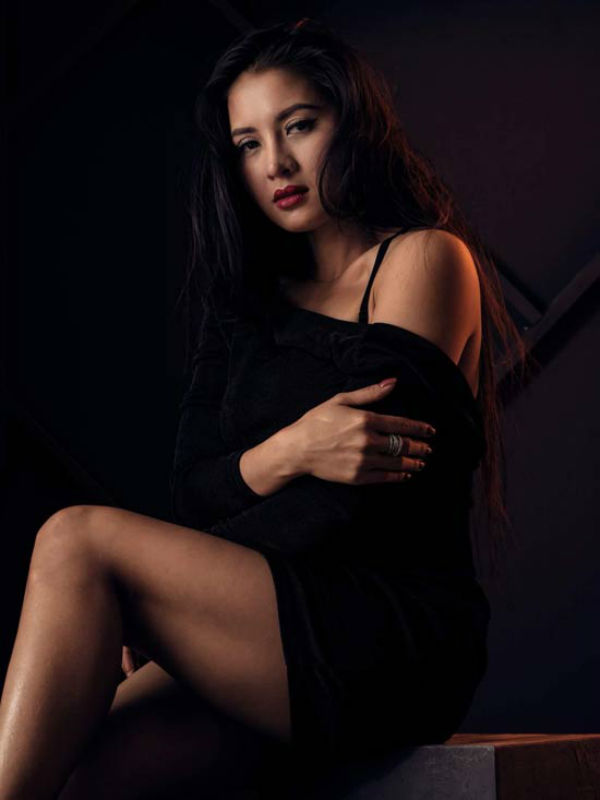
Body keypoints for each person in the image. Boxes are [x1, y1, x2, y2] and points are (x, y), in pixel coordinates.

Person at [0, 18, 528, 800]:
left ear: (351, 124)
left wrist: (153, 600)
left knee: (74, 540)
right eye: (248, 143)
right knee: (72, 767)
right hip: (270, 623)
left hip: (388, 635)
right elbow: (193, 489)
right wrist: (293, 450)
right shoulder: (246, 305)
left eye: (298, 126)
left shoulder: (422, 259)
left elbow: (359, 501)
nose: (276, 163)